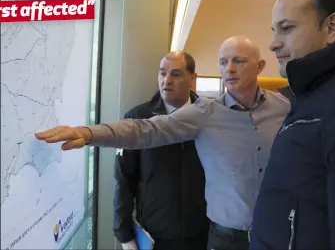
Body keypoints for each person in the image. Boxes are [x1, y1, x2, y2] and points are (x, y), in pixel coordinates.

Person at [35, 36, 291, 250]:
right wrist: (89, 133)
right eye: (223, 62)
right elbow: (145, 130)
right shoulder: (205, 114)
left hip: (274, 230)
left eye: (238, 61)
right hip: (218, 237)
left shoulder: (284, 107)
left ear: (259, 66)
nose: (229, 69)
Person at [250, 0, 335, 250]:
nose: (273, 43)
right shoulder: (310, 93)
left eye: (286, 28)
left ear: (332, 27)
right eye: (274, 30)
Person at [116, 52, 209, 250]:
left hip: (203, 236)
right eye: (162, 74)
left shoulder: (209, 119)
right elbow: (124, 179)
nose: (167, 80)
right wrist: (124, 235)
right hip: (156, 238)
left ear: (192, 79)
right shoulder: (137, 119)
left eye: (176, 74)